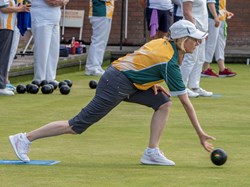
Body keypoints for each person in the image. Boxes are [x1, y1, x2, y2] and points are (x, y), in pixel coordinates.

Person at [9, 20, 215, 166]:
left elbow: (140, 60)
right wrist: (200, 134)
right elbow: (187, 103)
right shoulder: (168, 60)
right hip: (116, 83)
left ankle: (152, 152)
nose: (197, 44)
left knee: (163, 102)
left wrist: (150, 82)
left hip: (125, 80)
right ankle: (25, 138)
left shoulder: (161, 43)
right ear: (182, 39)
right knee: (76, 126)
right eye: (194, 39)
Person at [180, 0, 213, 98]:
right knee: (190, 59)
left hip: (201, 30)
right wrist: (194, 31)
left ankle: (194, 86)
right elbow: (187, 12)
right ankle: (181, 87)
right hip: (193, 30)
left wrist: (204, 30)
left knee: (200, 59)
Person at [31, 0, 69, 84]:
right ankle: (39, 79)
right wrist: (62, 2)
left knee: (53, 50)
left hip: (55, 17)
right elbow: (51, 1)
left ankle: (50, 78)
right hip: (42, 16)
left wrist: (61, 2)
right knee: (42, 51)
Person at [0, 0, 30, 96]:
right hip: (4, 26)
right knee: (3, 58)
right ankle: (1, 86)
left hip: (8, 26)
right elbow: (4, 8)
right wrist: (20, 9)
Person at [201, 0, 236, 78]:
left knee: (220, 45)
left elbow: (219, 7)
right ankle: (205, 68)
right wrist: (215, 17)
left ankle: (222, 69)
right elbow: (210, 4)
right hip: (213, 19)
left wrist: (226, 13)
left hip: (221, 20)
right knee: (211, 44)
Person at [85, 0, 115, 76]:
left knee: (102, 42)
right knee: (98, 41)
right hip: (100, 12)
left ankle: (96, 65)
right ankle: (92, 67)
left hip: (106, 12)